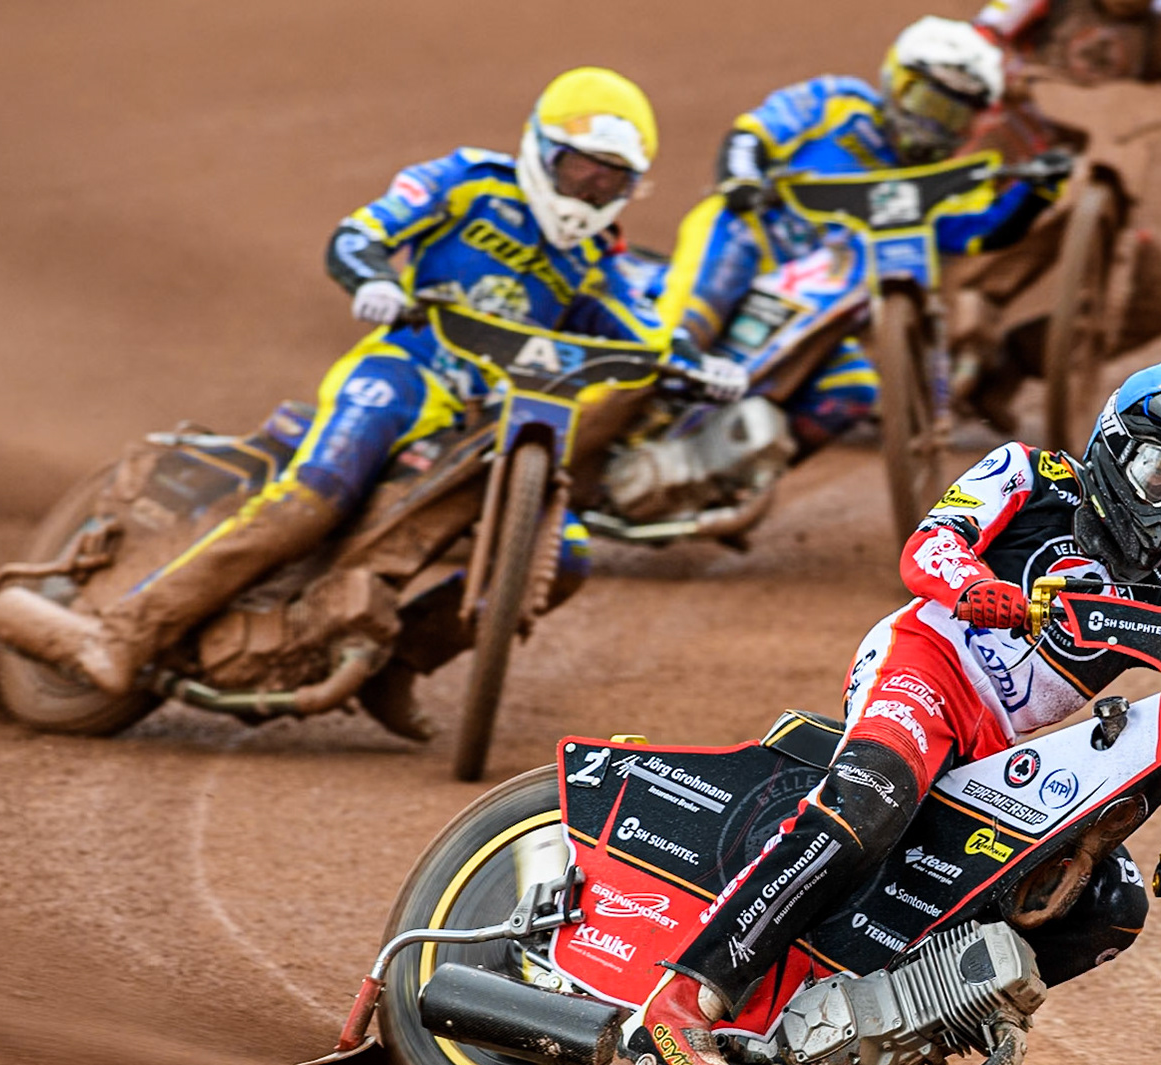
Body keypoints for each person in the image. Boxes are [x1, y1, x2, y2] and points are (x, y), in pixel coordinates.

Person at [623, 363, 1161, 1065]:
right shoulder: (1028, 474)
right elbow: (928, 545)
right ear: (1114, 451)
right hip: (924, 667)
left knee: (1106, 901)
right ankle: (686, 996)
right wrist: (978, 587)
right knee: (876, 796)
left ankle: (914, 1013)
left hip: (1000, 747)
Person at [55, 67, 743, 735]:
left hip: (498, 416)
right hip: (408, 370)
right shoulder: (468, 182)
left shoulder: (600, 262)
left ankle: (396, 665)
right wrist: (371, 275)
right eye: (581, 169)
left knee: (563, 555)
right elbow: (363, 232)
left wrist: (700, 368)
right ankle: (126, 628)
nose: (591, 189)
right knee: (320, 494)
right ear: (541, 150)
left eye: (611, 179)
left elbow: (649, 338)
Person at [653, 16, 1065, 456]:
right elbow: (755, 131)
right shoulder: (837, 102)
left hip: (817, 314)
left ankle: (735, 482)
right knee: (694, 315)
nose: (936, 126)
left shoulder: (930, 184)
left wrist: (1038, 192)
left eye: (955, 116)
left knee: (852, 393)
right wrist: (740, 180)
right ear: (897, 82)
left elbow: (981, 234)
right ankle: (655, 368)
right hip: (753, 241)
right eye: (930, 103)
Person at [955, 0, 1161, 433]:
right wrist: (1003, 73)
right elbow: (980, 38)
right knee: (965, 248)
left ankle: (1007, 366)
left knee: (1152, 301)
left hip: (1106, 175)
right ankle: (911, 359)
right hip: (1015, 157)